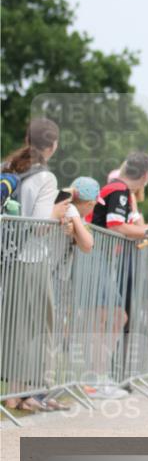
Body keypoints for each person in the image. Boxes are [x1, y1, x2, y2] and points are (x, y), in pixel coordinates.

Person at [87, 152, 148, 398]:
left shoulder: (118, 188)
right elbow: (117, 226)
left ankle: (98, 379)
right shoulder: (119, 190)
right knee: (111, 318)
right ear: (146, 175)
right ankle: (95, 381)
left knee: (112, 317)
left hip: (99, 257)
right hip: (95, 257)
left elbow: (133, 226)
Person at [1, 118, 72, 412]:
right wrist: (58, 211)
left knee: (16, 326)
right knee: (36, 327)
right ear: (53, 145)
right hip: (31, 258)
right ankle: (23, 394)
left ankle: (17, 393)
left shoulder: (8, 167)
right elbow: (40, 225)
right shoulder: (45, 177)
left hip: (8, 256)